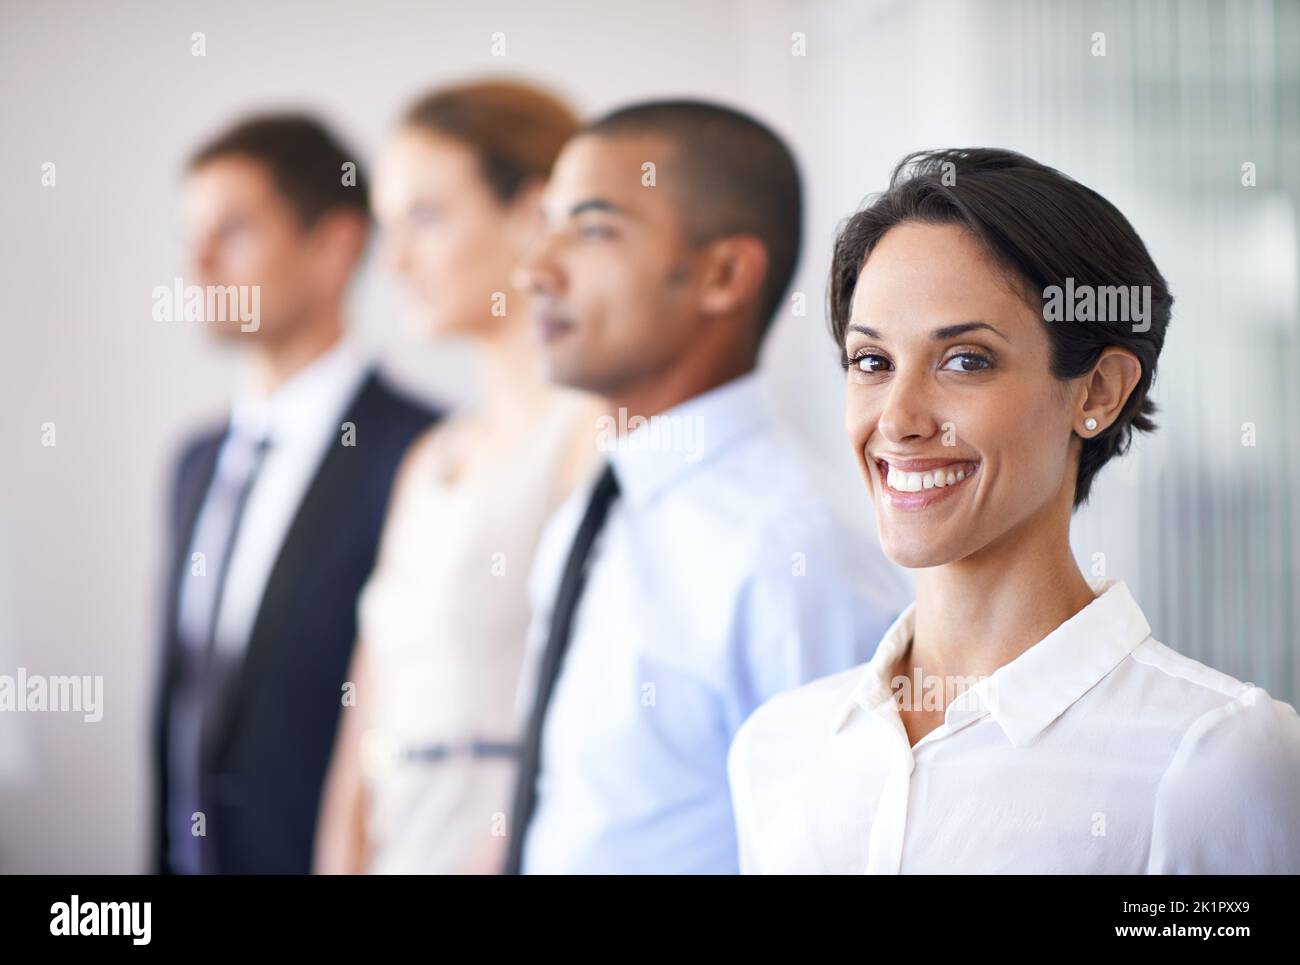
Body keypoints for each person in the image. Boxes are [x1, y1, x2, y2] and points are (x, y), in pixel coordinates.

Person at [727, 147, 1300, 874]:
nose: (897, 419)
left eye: (965, 359)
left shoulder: (1213, 758)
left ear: (1097, 392)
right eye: (872, 362)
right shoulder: (779, 748)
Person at [504, 100, 905, 874]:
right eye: (546, 224)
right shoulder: (596, 511)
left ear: (724, 274)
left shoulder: (794, 556)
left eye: (591, 230)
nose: (534, 269)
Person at [313, 81, 601, 875]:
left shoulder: (593, 440)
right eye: (386, 229)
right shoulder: (427, 458)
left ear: (533, 213)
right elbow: (365, 718)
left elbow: (580, 721)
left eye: (427, 219)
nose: (394, 262)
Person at [152, 115, 439, 874]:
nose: (200, 263)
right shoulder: (195, 461)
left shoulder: (423, 456)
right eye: (193, 235)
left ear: (337, 244)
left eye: (235, 231)